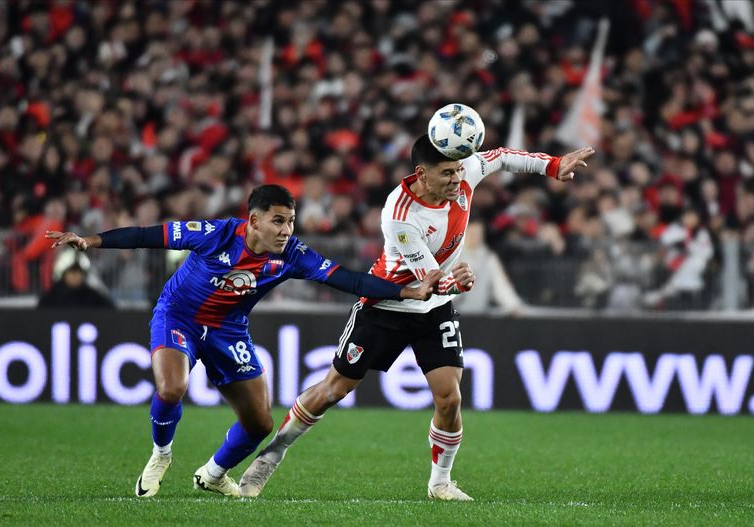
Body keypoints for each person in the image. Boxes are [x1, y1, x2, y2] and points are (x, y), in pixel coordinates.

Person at [240, 138, 594, 501]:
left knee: (449, 398)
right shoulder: (399, 213)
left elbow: (502, 157)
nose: (458, 179)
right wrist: (456, 279)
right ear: (422, 174)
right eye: (447, 173)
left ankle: (440, 482)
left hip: (433, 310)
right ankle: (272, 454)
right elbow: (428, 280)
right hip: (387, 304)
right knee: (334, 389)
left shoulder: (465, 171)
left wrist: (552, 165)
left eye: (458, 170)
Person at [46, 184, 440, 498]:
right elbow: (149, 236)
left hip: (228, 330)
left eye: (290, 221)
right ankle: (161, 454)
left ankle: (214, 474)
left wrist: (409, 292)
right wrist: (91, 241)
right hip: (179, 316)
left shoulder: (293, 255)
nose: (287, 230)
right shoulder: (215, 234)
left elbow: (348, 279)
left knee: (259, 423)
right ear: (253, 220)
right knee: (172, 387)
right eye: (278, 221)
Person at [38, 249, 114, 309]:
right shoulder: (51, 298)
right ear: (63, 274)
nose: (75, 276)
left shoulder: (93, 297)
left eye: (79, 272)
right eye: (71, 272)